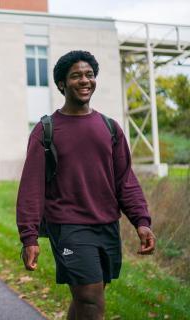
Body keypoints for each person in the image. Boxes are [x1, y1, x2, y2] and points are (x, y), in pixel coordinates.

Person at [16, 51, 156, 320]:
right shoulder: (47, 129)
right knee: (91, 300)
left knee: (86, 298)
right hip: (68, 226)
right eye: (76, 75)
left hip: (106, 225)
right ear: (61, 84)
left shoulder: (109, 127)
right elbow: (32, 187)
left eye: (89, 75)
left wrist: (141, 220)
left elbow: (125, 179)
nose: (85, 80)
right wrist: (29, 236)